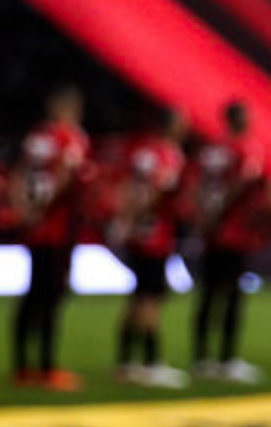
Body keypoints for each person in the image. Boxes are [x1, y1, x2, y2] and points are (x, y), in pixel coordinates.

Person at [10, 85, 90, 391]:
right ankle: (47, 366)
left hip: (34, 225)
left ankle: (21, 365)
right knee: (52, 295)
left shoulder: (36, 138)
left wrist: (24, 209)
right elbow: (67, 177)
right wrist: (42, 209)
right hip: (58, 226)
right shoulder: (71, 138)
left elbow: (17, 174)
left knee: (32, 292)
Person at [189, 101, 266, 382]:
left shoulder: (210, 150)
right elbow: (243, 183)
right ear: (240, 119)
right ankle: (227, 359)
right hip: (233, 232)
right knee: (232, 294)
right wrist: (218, 215)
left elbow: (195, 185)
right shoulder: (244, 147)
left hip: (211, 232)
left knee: (208, 293)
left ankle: (200, 358)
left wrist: (202, 217)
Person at [114, 110, 188, 388]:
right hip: (155, 234)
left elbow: (125, 187)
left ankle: (125, 362)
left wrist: (125, 219)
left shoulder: (142, 152)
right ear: (172, 127)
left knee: (137, 297)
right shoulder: (169, 155)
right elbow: (162, 190)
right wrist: (140, 216)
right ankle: (150, 362)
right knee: (151, 299)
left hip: (138, 234)